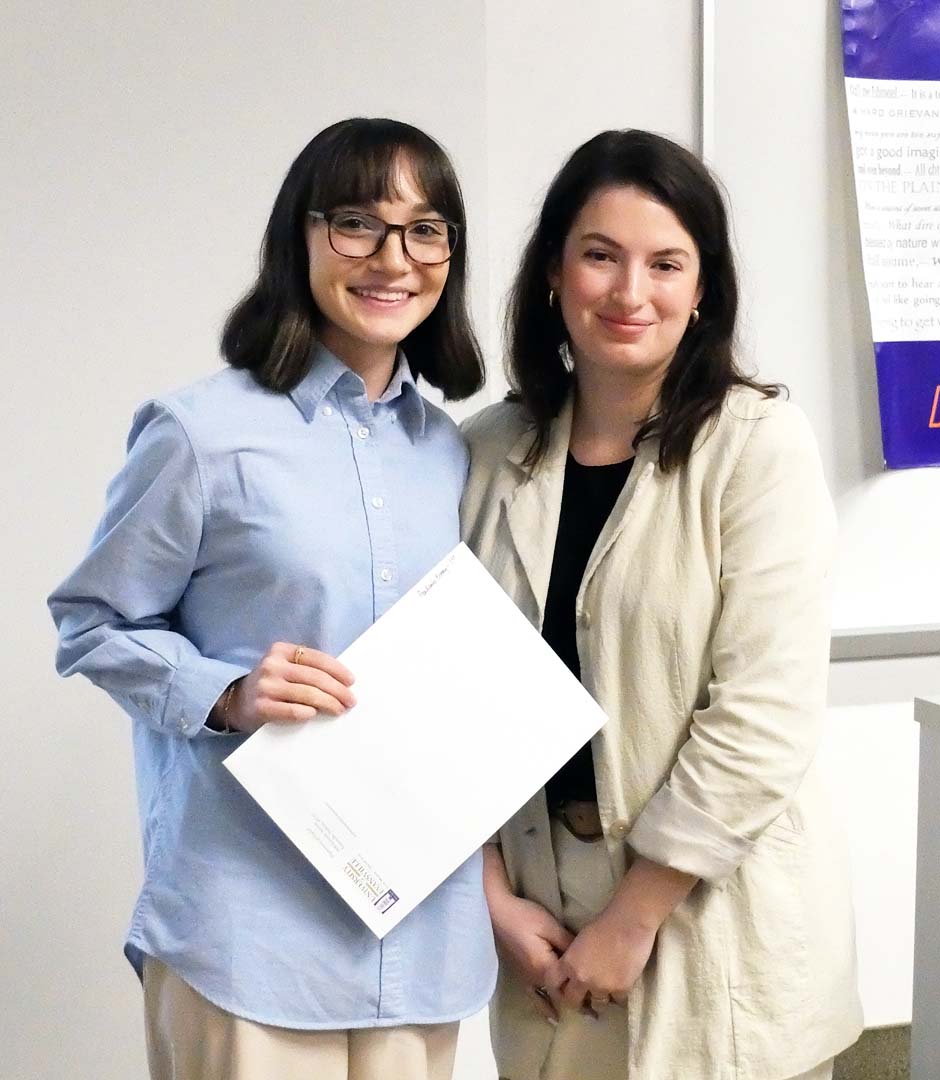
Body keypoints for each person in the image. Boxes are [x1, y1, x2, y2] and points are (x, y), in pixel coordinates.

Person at [48, 117, 496, 1080]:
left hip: (421, 939)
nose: (393, 259)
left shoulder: (449, 452)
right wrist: (226, 693)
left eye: (426, 231)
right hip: (251, 932)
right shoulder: (200, 434)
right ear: (301, 235)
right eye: (357, 225)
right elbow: (89, 624)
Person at [460, 129, 863, 1080]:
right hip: (538, 928)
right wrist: (490, 904)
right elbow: (447, 703)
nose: (629, 291)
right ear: (554, 272)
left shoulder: (757, 448)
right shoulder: (485, 453)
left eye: (665, 263)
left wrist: (633, 917)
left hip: (709, 922)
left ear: (703, 289)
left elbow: (765, 715)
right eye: (600, 255)